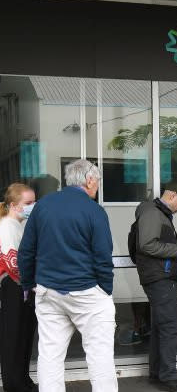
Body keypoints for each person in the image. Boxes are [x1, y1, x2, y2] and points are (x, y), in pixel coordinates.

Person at [18, 159, 118, 392]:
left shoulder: (43, 206)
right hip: (87, 293)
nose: (98, 186)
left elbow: (26, 251)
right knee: (100, 356)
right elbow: (103, 256)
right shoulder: (94, 211)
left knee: (50, 355)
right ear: (90, 180)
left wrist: (29, 284)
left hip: (48, 291)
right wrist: (105, 289)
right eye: (98, 182)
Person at [134, 181, 177, 392]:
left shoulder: (157, 212)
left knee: (161, 326)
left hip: (159, 276)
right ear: (172, 195)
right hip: (160, 278)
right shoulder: (153, 213)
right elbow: (147, 244)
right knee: (169, 327)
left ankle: (158, 373)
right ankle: (169, 378)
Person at [0, 183, 37, 392]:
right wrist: (31, 282)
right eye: (28, 203)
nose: (33, 206)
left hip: (22, 287)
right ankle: (14, 384)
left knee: (23, 336)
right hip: (13, 287)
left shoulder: (20, 225)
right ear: (14, 205)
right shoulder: (7, 226)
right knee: (13, 337)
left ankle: (22, 380)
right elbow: (13, 262)